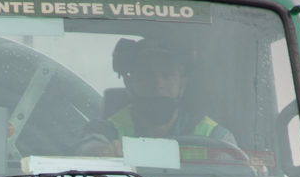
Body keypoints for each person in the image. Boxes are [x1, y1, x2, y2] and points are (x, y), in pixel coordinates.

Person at [85, 38, 236, 154]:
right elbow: (86, 154)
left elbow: (236, 176)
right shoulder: (106, 131)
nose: (158, 83)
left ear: (182, 84)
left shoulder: (214, 136)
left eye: (168, 74)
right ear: (129, 84)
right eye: (147, 74)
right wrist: (102, 153)